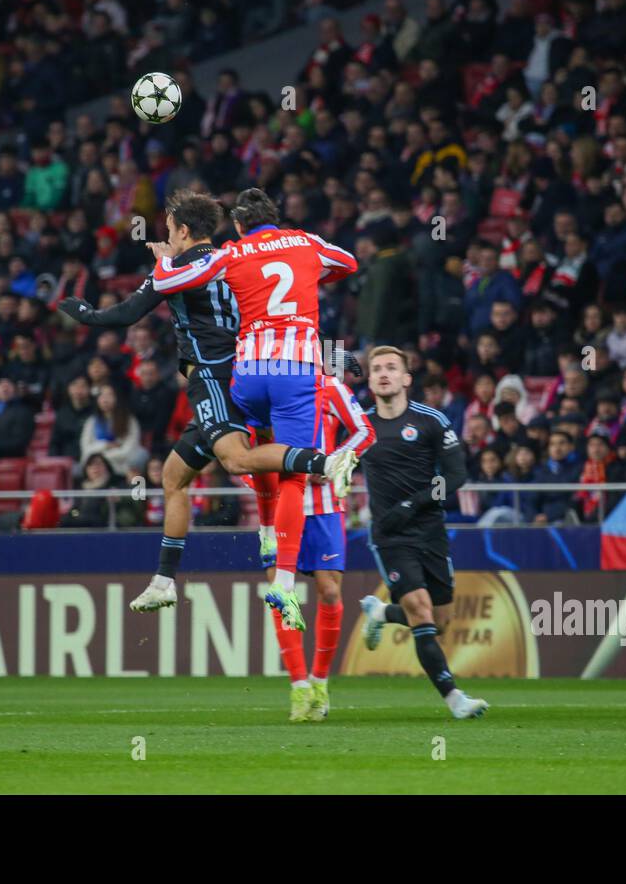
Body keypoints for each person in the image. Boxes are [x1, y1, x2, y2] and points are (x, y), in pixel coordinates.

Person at [61, 190, 352, 617]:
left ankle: (322, 464)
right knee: (175, 476)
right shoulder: (234, 260)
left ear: (181, 230)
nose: (166, 237)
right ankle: (165, 580)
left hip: (213, 379)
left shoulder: (184, 266)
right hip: (251, 370)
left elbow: (125, 314)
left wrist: (82, 311)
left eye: (168, 229)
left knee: (235, 461)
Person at [150, 188, 360, 631]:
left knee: (240, 451)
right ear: (276, 218)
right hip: (297, 368)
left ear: (241, 225)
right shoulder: (306, 242)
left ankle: (264, 535)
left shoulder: (233, 251)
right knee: (292, 475)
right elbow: (349, 263)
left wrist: (165, 257)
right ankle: (283, 579)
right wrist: (313, 277)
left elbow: (170, 282)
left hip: (247, 371)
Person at [354, 346, 488, 720]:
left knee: (439, 621)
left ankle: (380, 613)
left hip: (429, 531)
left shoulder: (432, 420)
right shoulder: (359, 424)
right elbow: (333, 457)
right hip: (389, 537)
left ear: (406, 379)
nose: (383, 373)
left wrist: (413, 505)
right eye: (377, 368)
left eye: (391, 368)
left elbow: (456, 477)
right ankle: (454, 698)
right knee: (421, 610)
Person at [263, 367, 375, 722]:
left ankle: (320, 681)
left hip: (325, 507)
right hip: (280, 503)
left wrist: (331, 462)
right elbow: (248, 441)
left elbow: (364, 431)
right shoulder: (264, 388)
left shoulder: (330, 388)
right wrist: (259, 479)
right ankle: (298, 687)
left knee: (329, 591)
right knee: (283, 595)